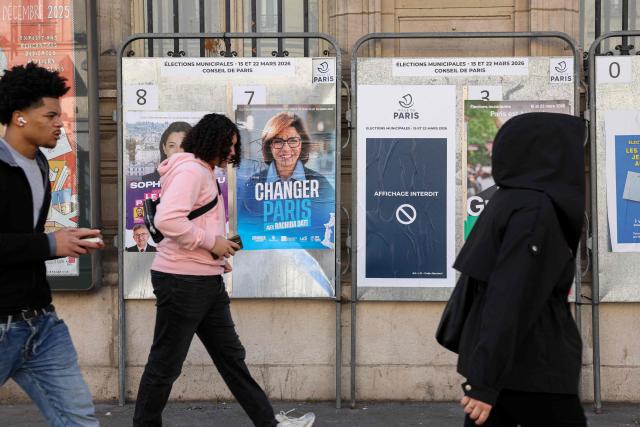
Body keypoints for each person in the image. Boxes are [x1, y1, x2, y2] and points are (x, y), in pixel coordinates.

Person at [133, 113, 315, 427]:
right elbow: (167, 221)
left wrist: (216, 254)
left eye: (234, 146)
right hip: (182, 281)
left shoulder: (200, 171)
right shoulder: (192, 171)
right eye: (228, 146)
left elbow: (195, 226)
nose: (232, 153)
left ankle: (268, 422)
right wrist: (210, 243)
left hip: (204, 278)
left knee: (232, 359)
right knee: (166, 364)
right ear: (210, 141)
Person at [439, 112, 587, 426]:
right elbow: (509, 295)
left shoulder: (509, 200)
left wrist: (485, 377)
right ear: (550, 155)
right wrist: (485, 382)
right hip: (532, 369)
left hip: (513, 369)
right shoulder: (535, 210)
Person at [0, 63, 104, 426]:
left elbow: (28, 238)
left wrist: (65, 242)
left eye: (60, 115)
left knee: (79, 419)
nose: (61, 123)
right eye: (51, 115)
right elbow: (35, 243)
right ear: (20, 118)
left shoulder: (41, 164)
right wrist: (48, 245)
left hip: (42, 324)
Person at [239, 112, 334, 245]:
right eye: (278, 141)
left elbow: (327, 231)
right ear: (269, 146)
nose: (286, 149)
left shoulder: (320, 184)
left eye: (293, 141)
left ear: (301, 144)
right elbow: (247, 231)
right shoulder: (253, 185)